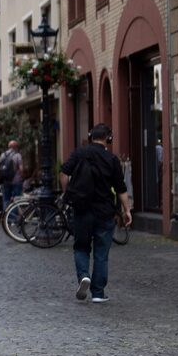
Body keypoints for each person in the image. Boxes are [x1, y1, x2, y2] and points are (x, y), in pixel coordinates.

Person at [60, 123, 132, 303]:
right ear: (108, 138)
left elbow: (63, 173)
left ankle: (83, 276)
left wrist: (67, 192)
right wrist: (126, 210)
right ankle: (98, 293)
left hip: (82, 209)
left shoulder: (79, 153)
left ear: (91, 136)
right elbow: (120, 188)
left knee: (81, 247)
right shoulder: (112, 159)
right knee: (101, 253)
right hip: (105, 211)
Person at [0, 140, 23, 210]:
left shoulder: (2, 155)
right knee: (16, 200)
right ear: (16, 147)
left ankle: (6, 216)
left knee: (6, 199)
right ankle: (13, 219)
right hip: (16, 181)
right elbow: (21, 169)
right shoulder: (17, 155)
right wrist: (21, 177)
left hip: (5, 181)